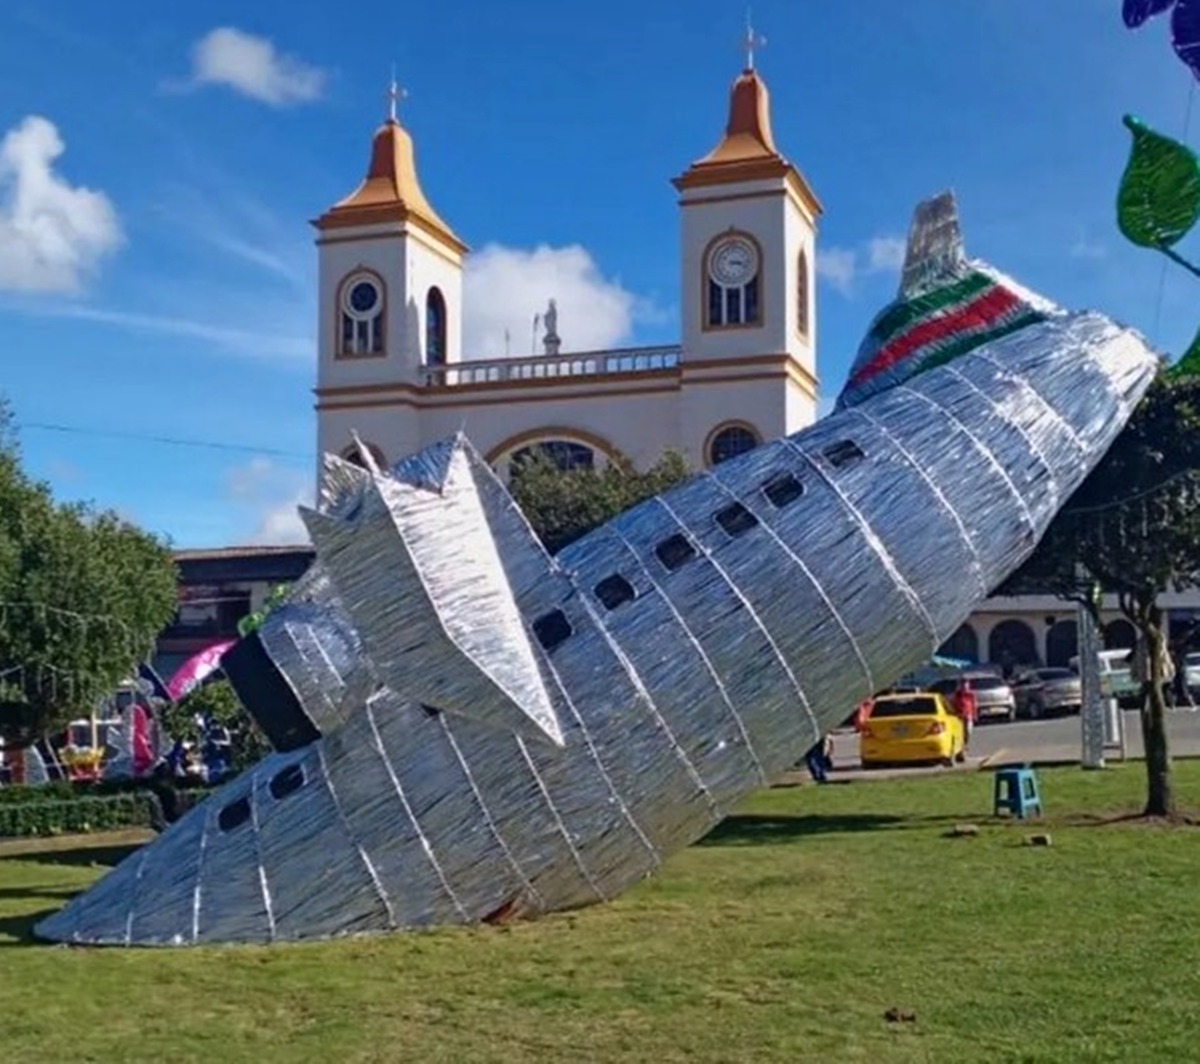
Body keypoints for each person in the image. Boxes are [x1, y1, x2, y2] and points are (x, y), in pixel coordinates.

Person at [951, 678, 978, 747]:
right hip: (960, 715)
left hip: (968, 714)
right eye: (963, 685)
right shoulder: (958, 694)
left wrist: (974, 714)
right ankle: (962, 745)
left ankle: (965, 743)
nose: (964, 686)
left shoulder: (971, 694)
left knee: (968, 731)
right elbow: (954, 704)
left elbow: (974, 704)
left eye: (966, 684)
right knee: (961, 731)